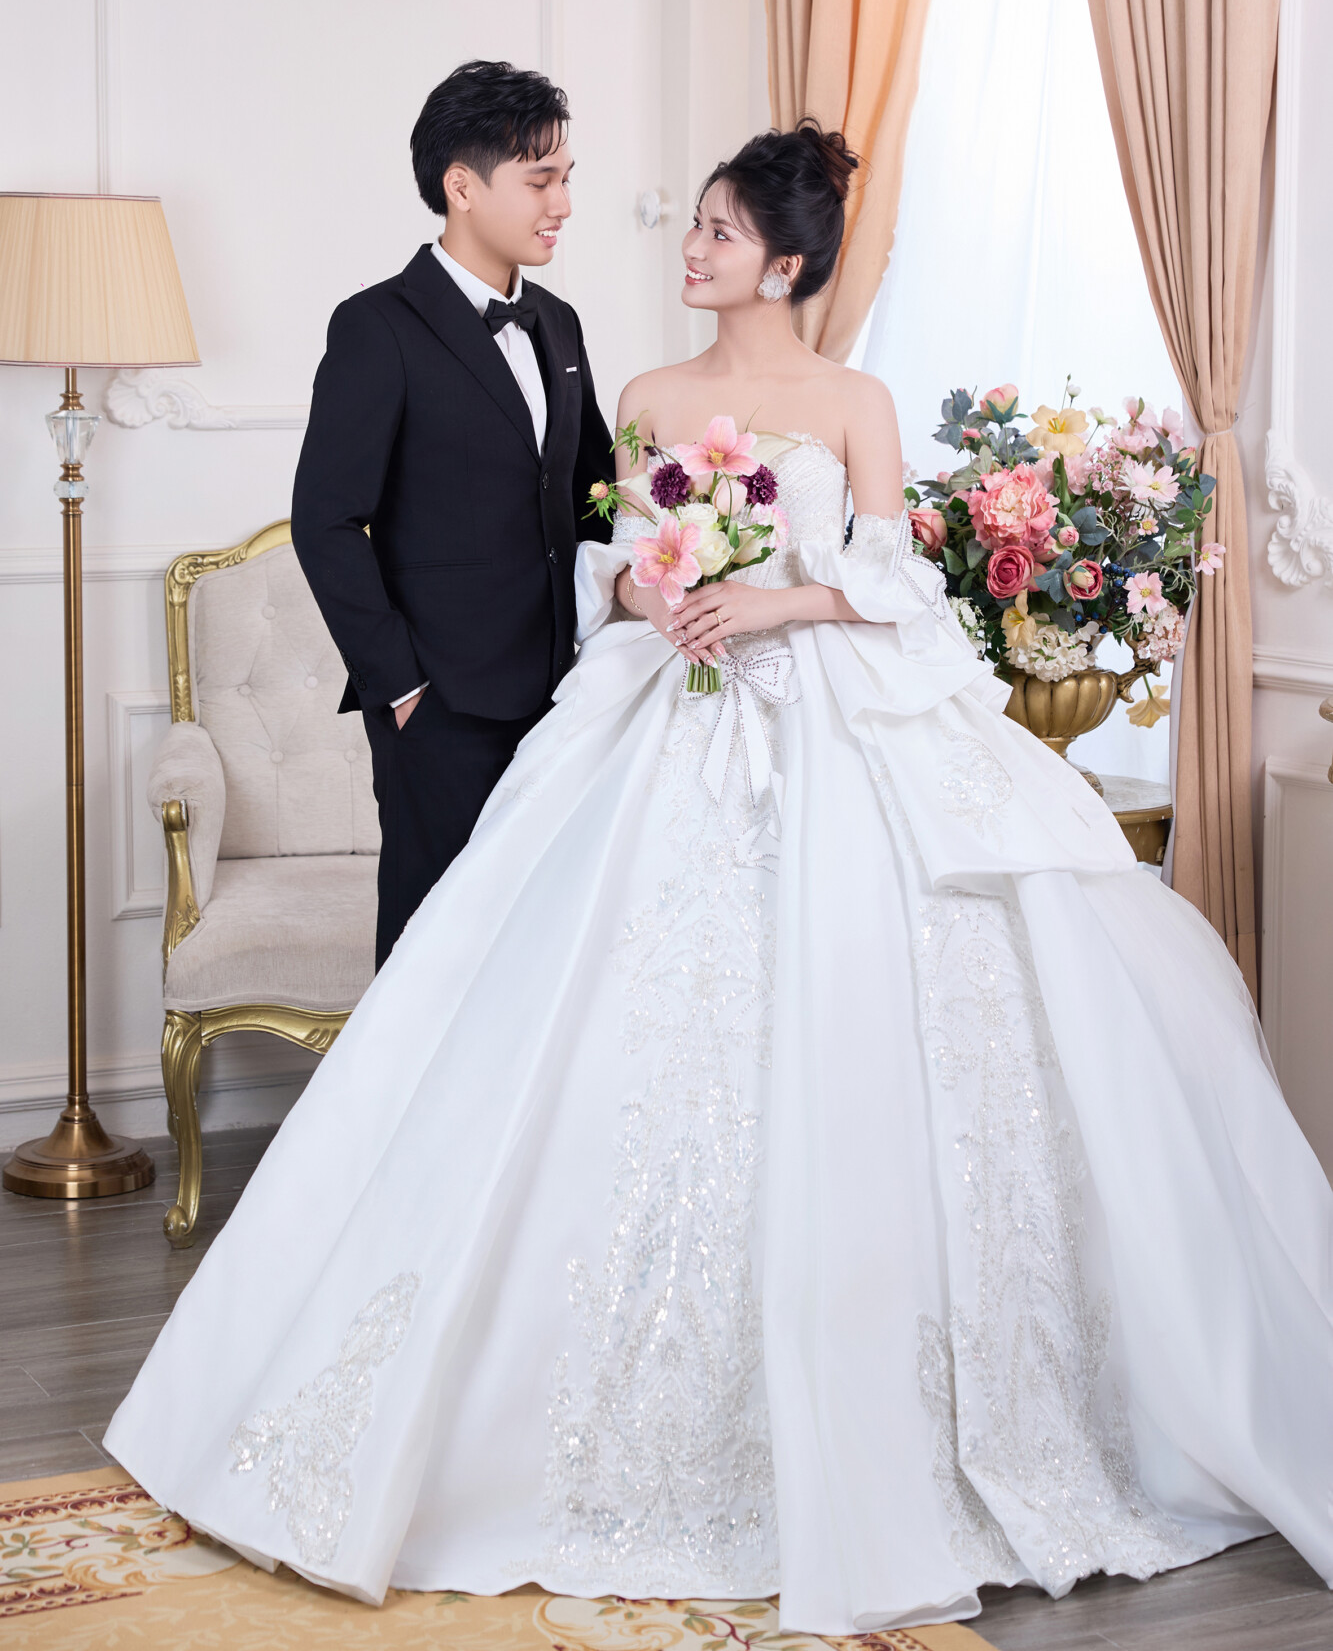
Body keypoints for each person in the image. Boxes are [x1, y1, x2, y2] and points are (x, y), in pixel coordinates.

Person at [107, 123, 1333, 1634]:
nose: (688, 249)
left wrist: (773, 602)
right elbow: (610, 568)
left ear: (788, 261)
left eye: (719, 232)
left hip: (830, 722)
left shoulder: (856, 402)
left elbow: (890, 582)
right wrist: (653, 581)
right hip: (659, 718)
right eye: (689, 225)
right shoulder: (645, 393)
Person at [291, 59, 613, 969]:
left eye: (566, 178)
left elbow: (593, 494)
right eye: (540, 181)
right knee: (432, 955)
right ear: (461, 187)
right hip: (442, 706)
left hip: (564, 696)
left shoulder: (558, 322)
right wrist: (402, 689)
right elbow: (324, 520)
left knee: (542, 950)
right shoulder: (376, 326)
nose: (562, 203)